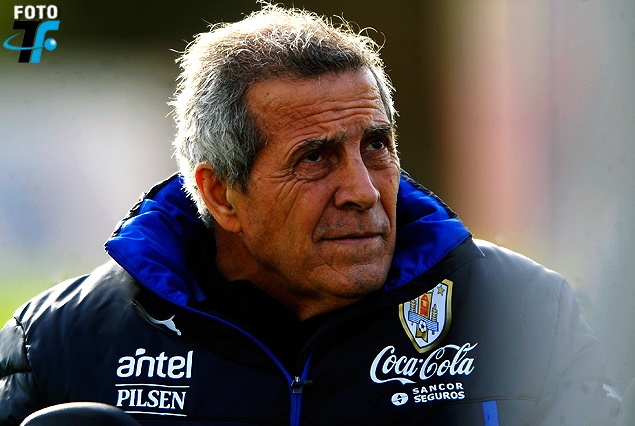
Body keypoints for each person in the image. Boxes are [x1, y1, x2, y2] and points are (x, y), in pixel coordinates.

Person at [0, 4, 623, 425]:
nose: (363, 191)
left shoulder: (526, 313)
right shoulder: (61, 344)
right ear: (221, 195)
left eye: (375, 146)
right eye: (315, 157)